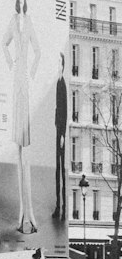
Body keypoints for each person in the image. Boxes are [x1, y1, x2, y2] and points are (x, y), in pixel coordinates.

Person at [1, 0, 40, 234]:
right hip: (17, 84)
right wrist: (11, 64)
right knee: (18, 148)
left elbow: (39, 51)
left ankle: (29, 211)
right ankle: (22, 211)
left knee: (25, 150)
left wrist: (31, 73)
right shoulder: (14, 21)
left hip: (24, 83)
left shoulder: (29, 23)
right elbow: (4, 43)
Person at [53, 51, 68, 220]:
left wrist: (63, 134)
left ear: (62, 65)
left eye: (59, 62)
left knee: (61, 170)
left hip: (61, 133)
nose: (57, 66)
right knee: (58, 170)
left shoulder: (62, 84)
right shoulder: (58, 83)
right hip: (58, 130)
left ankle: (61, 207)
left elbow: (64, 110)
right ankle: (59, 207)